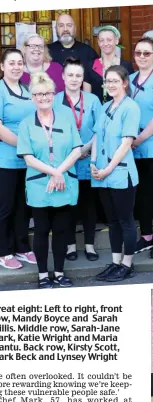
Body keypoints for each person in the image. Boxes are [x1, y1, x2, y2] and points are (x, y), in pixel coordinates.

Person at [17, 72, 82, 289]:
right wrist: (53, 173)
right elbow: (28, 158)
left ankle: (60, 272)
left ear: (54, 94)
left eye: (47, 93)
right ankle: (43, 274)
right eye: (38, 94)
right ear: (32, 97)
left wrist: (59, 172)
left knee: (63, 230)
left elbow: (77, 149)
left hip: (65, 183)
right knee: (42, 231)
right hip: (39, 185)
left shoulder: (66, 117)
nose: (43, 97)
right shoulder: (26, 123)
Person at [0, 48, 36, 269]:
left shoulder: (26, 90)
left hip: (24, 159)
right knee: (4, 206)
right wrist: (25, 147)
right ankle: (3, 252)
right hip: (2, 157)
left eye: (19, 63)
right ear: (2, 66)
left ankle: (22, 247)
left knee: (23, 205)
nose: (16, 67)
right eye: (11, 63)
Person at [91, 65, 140, 282]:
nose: (110, 84)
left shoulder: (131, 107)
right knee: (112, 222)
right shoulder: (105, 107)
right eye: (107, 81)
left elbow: (127, 142)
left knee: (125, 221)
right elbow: (96, 138)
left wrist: (107, 169)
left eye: (115, 81)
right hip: (101, 173)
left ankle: (127, 264)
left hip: (119, 173)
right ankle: (115, 261)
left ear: (124, 83)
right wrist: (93, 163)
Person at [54, 57, 102, 261]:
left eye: (78, 75)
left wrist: (87, 148)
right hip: (65, 162)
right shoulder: (54, 100)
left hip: (89, 159)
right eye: (70, 75)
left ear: (83, 78)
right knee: (68, 206)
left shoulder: (92, 100)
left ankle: (90, 245)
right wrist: (72, 151)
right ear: (63, 77)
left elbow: (100, 129)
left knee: (88, 205)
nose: (74, 79)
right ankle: (70, 245)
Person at [129, 37, 153, 256]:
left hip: (149, 145)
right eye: (139, 53)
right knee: (142, 194)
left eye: (147, 53)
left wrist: (139, 139)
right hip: (133, 150)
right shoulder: (129, 79)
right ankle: (146, 236)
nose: (142, 57)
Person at [48, 13, 98, 91]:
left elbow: (97, 81)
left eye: (69, 25)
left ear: (75, 28)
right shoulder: (47, 51)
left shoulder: (88, 52)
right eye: (61, 25)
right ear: (56, 29)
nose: (65, 29)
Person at [85, 25, 134, 103]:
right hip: (96, 111)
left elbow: (129, 94)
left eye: (109, 40)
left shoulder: (126, 66)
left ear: (116, 41)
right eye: (101, 40)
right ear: (98, 42)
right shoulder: (90, 66)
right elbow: (86, 96)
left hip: (119, 111)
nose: (105, 43)